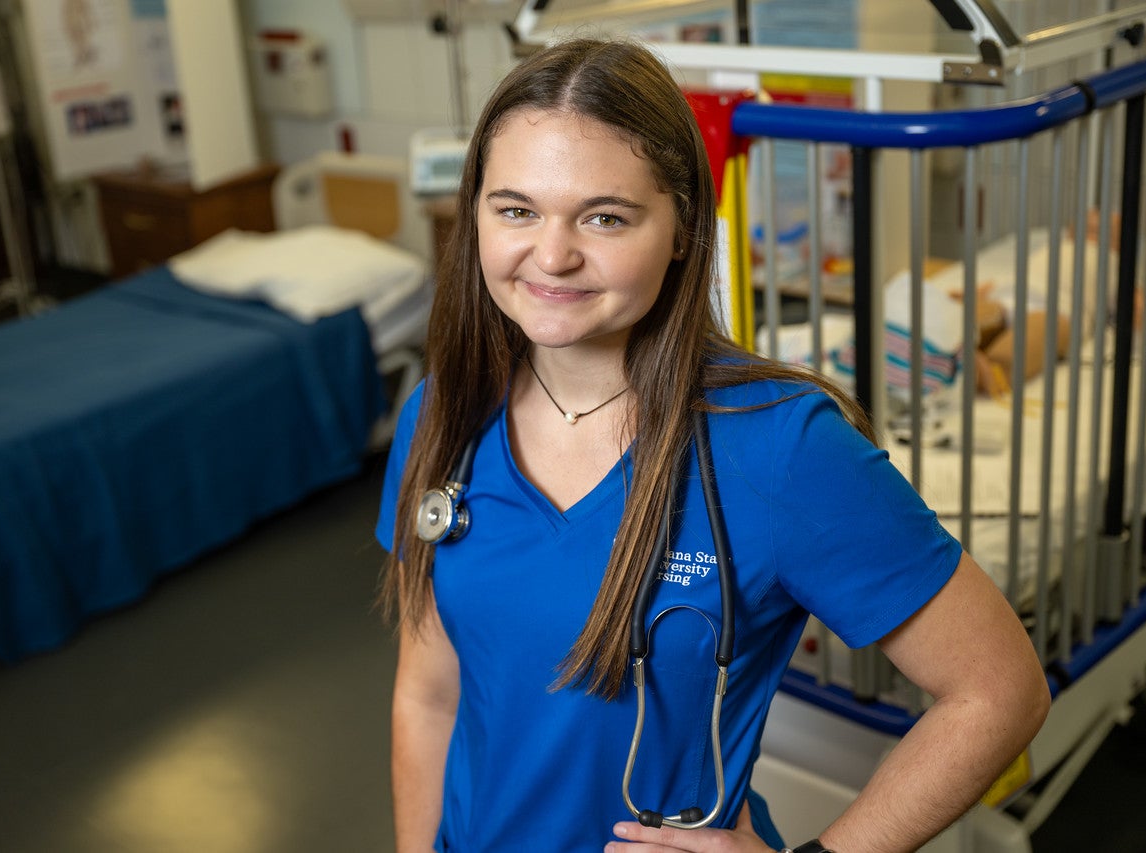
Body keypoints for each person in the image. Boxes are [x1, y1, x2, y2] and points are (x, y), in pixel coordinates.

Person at [376, 36, 1049, 853]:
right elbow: (430, 692)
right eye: (515, 208)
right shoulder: (442, 411)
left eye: (605, 216)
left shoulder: (780, 447)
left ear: (685, 228)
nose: (550, 255)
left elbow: (999, 690)